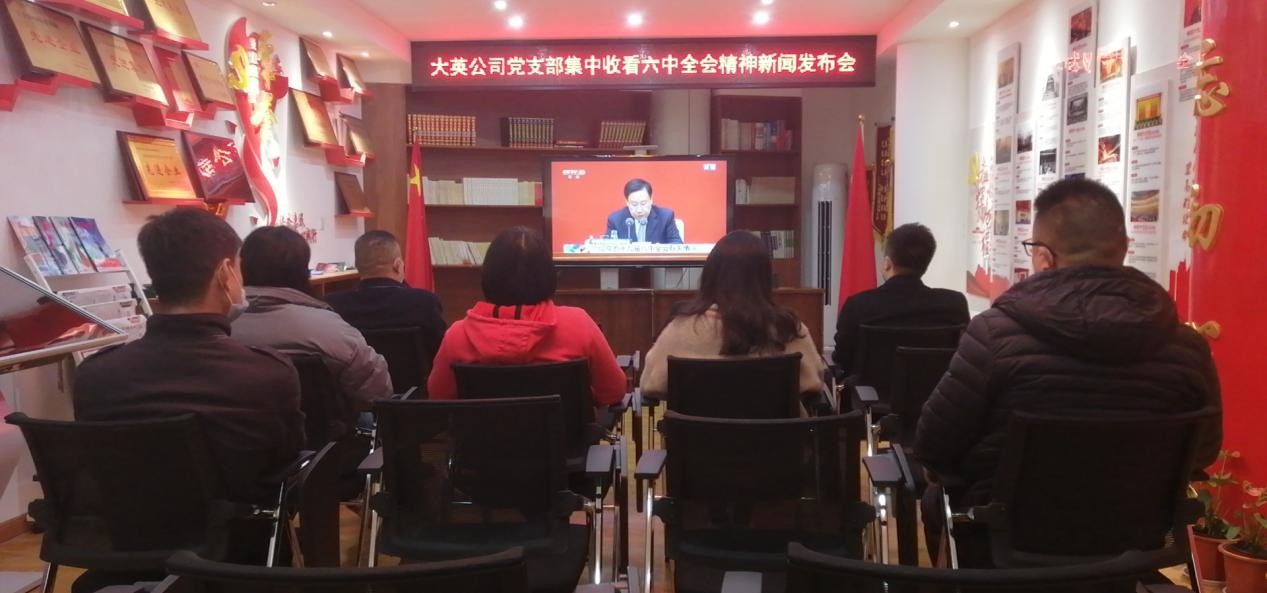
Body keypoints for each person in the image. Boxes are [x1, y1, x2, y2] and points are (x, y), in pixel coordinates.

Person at [913, 178, 1221, 566]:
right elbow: (1203, 450)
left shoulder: (993, 335)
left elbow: (934, 446)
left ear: (1044, 257)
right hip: (1130, 550)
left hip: (1004, 549)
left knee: (935, 498)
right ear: (1124, 248)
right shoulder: (1187, 348)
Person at [72, 209, 304, 587]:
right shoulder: (267, 372)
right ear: (225, 273)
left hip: (125, 550)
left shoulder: (95, 375)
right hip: (237, 555)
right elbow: (286, 456)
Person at [427, 226, 626, 408]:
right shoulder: (578, 325)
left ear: (488, 275)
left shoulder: (457, 336)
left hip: (480, 438)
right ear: (548, 275)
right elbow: (613, 391)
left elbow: (438, 398)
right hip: (567, 438)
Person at [231, 226, 392, 440]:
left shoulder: (218, 328)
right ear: (302, 271)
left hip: (238, 445)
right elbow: (377, 394)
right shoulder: (330, 329)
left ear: (241, 269)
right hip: (325, 447)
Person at [640, 231, 826, 415]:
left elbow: (650, 385)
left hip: (697, 435)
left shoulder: (681, 327)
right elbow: (813, 383)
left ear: (710, 275)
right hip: (778, 435)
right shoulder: (787, 328)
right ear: (765, 278)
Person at [831, 223, 970, 374]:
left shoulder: (858, 306)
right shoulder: (954, 305)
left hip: (870, 389)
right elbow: (965, 356)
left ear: (887, 264)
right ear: (926, 264)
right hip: (938, 389)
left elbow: (842, 359)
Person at [326, 230, 446, 355]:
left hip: (357, 368)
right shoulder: (424, 302)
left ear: (357, 266)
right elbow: (439, 350)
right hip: (411, 368)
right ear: (397, 265)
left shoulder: (333, 306)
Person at [605, 178, 683, 244]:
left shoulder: (665, 217)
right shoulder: (615, 220)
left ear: (651, 199)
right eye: (634, 204)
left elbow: (677, 244)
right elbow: (607, 247)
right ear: (627, 202)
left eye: (643, 203)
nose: (639, 210)